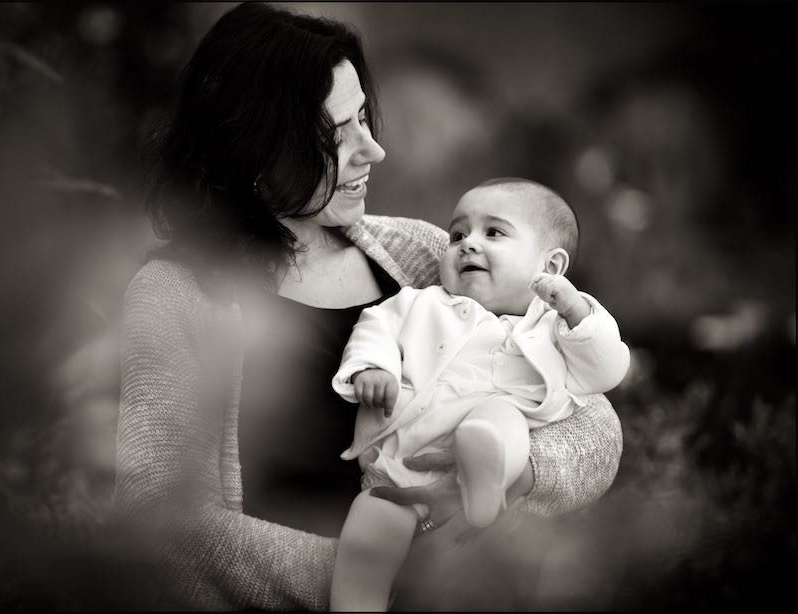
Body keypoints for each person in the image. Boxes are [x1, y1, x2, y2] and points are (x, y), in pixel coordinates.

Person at [115, 3, 623, 610]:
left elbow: (597, 430)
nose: (373, 150)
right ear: (255, 149)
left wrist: (514, 472)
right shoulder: (177, 294)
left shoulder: (426, 255)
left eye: (363, 118)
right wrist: (372, 577)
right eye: (337, 134)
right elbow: (163, 521)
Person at [329, 178, 631, 610]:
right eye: (457, 234)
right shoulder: (421, 303)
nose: (467, 244)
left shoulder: (555, 328)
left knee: (497, 418)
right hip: (397, 470)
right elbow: (375, 327)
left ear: (551, 267)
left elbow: (606, 369)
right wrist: (374, 367)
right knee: (366, 537)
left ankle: (484, 473)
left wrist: (575, 309)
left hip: (496, 439)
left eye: (493, 232)